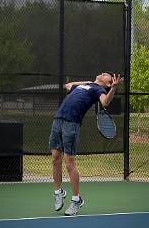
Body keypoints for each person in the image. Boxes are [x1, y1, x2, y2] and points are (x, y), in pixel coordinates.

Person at [49, 72, 123, 216]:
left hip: (72, 123)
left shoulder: (99, 90)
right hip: (58, 118)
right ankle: (58, 192)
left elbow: (105, 102)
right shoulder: (88, 85)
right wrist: (88, 81)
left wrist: (113, 88)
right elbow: (68, 86)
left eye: (106, 75)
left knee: (69, 162)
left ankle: (76, 200)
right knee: (55, 158)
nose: (102, 73)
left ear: (107, 83)